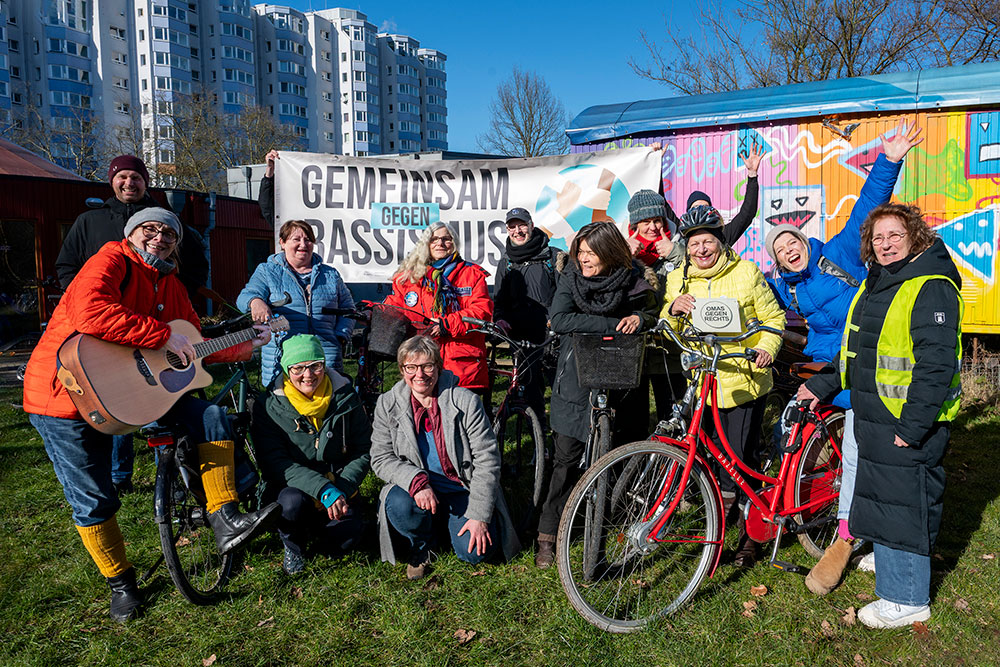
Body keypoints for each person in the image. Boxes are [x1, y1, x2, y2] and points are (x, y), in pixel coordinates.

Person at [22, 208, 279, 623]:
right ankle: (121, 583)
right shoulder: (111, 259)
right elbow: (90, 311)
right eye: (150, 229)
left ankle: (225, 517)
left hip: (135, 393)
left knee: (210, 415)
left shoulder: (172, 283)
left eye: (169, 234)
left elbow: (193, 345)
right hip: (64, 396)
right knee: (93, 498)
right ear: (132, 233)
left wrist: (250, 343)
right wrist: (162, 335)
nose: (159, 237)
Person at [761, 120, 923, 595]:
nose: (789, 251)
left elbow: (866, 208)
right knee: (793, 425)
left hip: (859, 361)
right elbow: (750, 291)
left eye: (792, 243)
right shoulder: (786, 287)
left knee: (857, 449)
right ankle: (805, 498)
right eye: (780, 250)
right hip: (825, 367)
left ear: (803, 241)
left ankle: (851, 531)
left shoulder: (838, 254)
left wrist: (889, 159)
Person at [799, 203, 962, 629]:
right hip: (877, 416)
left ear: (915, 237)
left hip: (904, 420)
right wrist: (823, 384)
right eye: (878, 238)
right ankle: (890, 559)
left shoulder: (930, 286)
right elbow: (859, 350)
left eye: (895, 235)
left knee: (904, 504)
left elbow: (936, 364)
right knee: (885, 499)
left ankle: (906, 598)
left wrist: (913, 426)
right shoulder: (880, 280)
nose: (886, 244)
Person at [55, 154, 209, 497]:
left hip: (151, 333)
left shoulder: (167, 221)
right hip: (101, 333)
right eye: (122, 176)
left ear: (146, 182)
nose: (129, 183)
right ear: (112, 181)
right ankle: (119, 475)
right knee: (114, 401)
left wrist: (174, 297)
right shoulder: (91, 222)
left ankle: (170, 479)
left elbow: (196, 266)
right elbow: (67, 267)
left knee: (157, 401)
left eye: (136, 177)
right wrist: (81, 298)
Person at [662, 205, 786, 567]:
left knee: (741, 459)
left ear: (721, 242)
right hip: (704, 383)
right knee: (711, 458)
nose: (701, 249)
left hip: (744, 380)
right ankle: (719, 519)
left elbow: (773, 317)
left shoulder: (746, 272)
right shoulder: (678, 279)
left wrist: (767, 348)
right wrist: (673, 310)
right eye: (694, 243)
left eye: (708, 241)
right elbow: (668, 329)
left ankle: (751, 535)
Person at [534, 221, 661, 569]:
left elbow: (652, 312)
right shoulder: (571, 277)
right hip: (576, 379)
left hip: (620, 378)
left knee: (614, 458)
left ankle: (603, 529)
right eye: (581, 252)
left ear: (609, 252)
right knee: (566, 459)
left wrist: (638, 319)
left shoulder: (633, 278)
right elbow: (560, 319)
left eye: (591, 253)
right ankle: (548, 535)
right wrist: (612, 326)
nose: (584, 259)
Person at [370, 335, 519, 580]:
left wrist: (479, 516)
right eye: (411, 367)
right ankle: (422, 545)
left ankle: (447, 523)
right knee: (398, 504)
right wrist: (416, 481)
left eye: (427, 366)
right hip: (417, 491)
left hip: (461, 488)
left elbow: (487, 460)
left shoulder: (466, 401)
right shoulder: (387, 404)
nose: (420, 374)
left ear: (438, 367)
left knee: (476, 553)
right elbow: (380, 457)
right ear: (402, 370)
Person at [251, 334, 372, 575]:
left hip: (338, 484)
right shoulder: (268, 406)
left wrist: (342, 488)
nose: (308, 375)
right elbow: (275, 462)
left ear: (324, 365)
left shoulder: (346, 396)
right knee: (291, 504)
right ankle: (293, 545)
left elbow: (364, 449)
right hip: (292, 488)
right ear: (287, 370)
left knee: (345, 540)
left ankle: (321, 530)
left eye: (316, 366)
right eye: (298, 368)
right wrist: (322, 489)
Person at [237, 219, 355, 386]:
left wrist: (340, 336)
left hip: (325, 357)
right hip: (284, 358)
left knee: (328, 400)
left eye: (308, 239)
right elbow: (245, 297)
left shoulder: (330, 274)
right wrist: (255, 302)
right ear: (282, 243)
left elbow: (348, 309)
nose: (303, 244)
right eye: (296, 239)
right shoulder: (267, 271)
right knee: (285, 402)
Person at [384, 222, 492, 393]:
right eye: (434, 239)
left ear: (454, 242)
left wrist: (446, 324)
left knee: (460, 409)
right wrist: (370, 311)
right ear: (426, 243)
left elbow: (482, 312)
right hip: (421, 363)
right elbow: (394, 306)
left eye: (446, 239)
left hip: (460, 365)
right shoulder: (410, 276)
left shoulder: (472, 274)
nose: (440, 243)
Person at [493, 207, 566, 424]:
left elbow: (565, 296)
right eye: (512, 227)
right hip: (522, 339)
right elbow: (500, 301)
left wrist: (557, 321)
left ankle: (563, 437)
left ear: (531, 226)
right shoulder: (506, 262)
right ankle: (539, 435)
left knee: (562, 391)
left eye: (522, 225)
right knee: (531, 392)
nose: (518, 231)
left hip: (553, 337)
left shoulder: (553, 256)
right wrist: (500, 320)